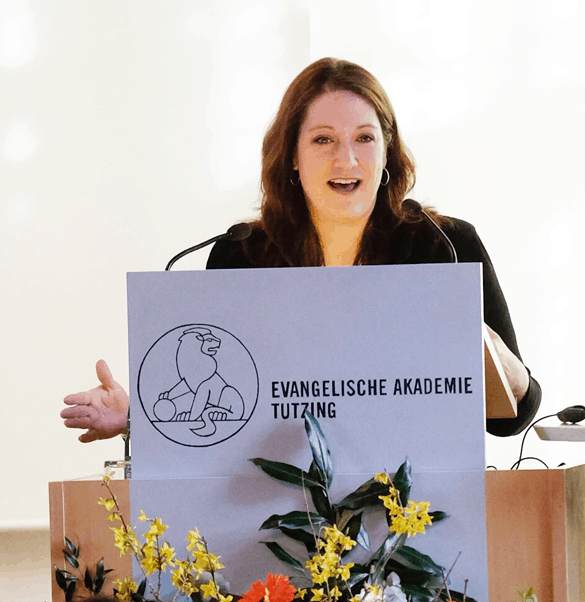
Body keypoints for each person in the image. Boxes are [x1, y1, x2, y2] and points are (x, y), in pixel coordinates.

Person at [61, 58, 541, 440]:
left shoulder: (445, 245)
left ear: (387, 150)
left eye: (364, 138)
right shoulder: (241, 254)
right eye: (323, 140)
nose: (346, 159)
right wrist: (138, 416)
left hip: (416, 508)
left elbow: (510, 418)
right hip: (275, 509)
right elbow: (226, 405)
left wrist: (514, 380)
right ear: (292, 154)